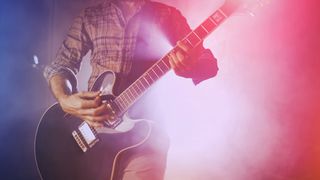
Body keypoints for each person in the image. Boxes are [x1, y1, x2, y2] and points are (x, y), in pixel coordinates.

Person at [44, 0, 218, 179]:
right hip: (94, 131)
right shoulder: (91, 16)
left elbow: (209, 63)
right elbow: (60, 66)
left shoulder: (167, 15)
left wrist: (190, 66)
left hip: (146, 136)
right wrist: (65, 99)